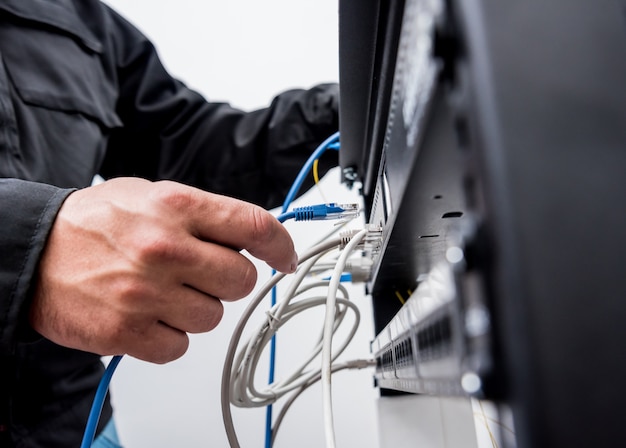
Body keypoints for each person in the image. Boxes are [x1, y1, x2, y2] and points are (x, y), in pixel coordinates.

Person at [0, 1, 339, 446]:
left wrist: (340, 111)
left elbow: (184, 145)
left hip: (75, 426)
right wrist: (28, 244)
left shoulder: (76, 16)